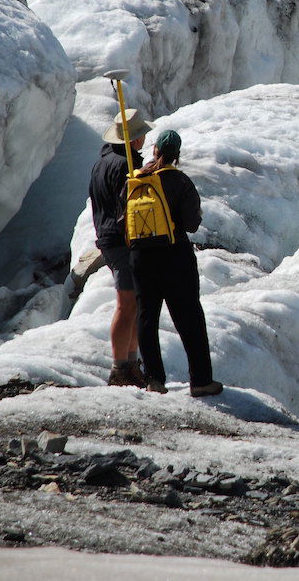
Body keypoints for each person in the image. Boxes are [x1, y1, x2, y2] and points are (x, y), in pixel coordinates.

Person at [130, 129, 222, 397]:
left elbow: (123, 220)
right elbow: (192, 224)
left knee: (147, 316)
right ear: (176, 154)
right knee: (189, 316)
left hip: (140, 256)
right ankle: (201, 381)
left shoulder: (136, 181)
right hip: (174, 256)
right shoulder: (180, 182)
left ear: (154, 149)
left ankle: (154, 379)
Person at [89, 108, 151, 388]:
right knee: (127, 305)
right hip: (122, 241)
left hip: (108, 237)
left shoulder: (102, 163)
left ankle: (130, 364)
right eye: (141, 134)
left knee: (134, 304)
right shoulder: (125, 165)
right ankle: (119, 368)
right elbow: (128, 207)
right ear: (133, 139)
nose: (145, 138)